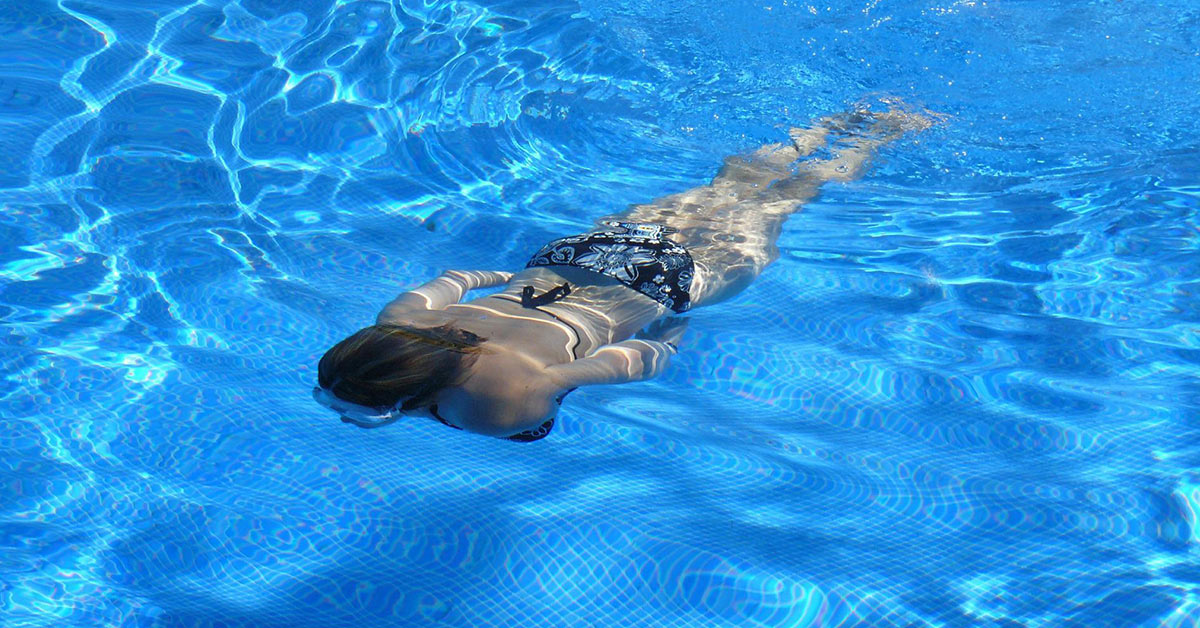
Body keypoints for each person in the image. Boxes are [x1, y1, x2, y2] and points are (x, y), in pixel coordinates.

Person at [314, 107, 931, 441]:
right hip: (579, 255)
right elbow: (455, 274)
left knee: (785, 201)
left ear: (401, 399)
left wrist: (664, 342)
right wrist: (510, 273)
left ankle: (889, 129)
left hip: (658, 287)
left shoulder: (499, 406)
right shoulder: (398, 319)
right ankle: (827, 121)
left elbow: (618, 364)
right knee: (732, 185)